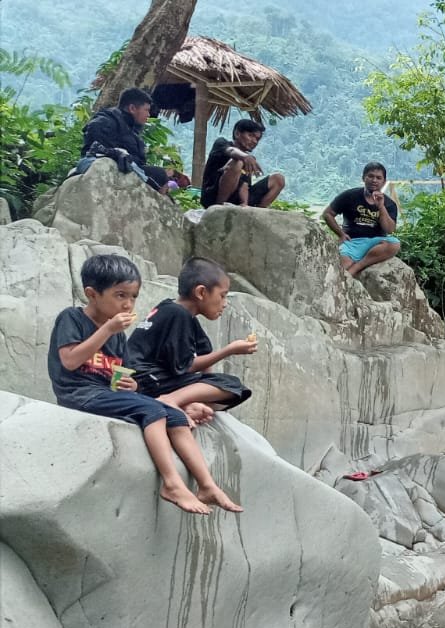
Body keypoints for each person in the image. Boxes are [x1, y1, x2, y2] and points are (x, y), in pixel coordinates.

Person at [47, 254, 241, 515]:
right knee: (155, 411)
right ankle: (172, 484)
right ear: (92, 294)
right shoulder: (72, 318)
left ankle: (207, 485)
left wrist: (131, 387)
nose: (128, 305)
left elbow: (119, 379)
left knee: (173, 414)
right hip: (79, 394)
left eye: (133, 297)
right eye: (120, 296)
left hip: (105, 393)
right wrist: (106, 330)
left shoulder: (117, 336)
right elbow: (69, 361)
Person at [126, 256, 257, 426]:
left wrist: (207, 388)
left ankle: (189, 405)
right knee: (232, 385)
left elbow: (205, 353)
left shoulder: (177, 310)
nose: (224, 304)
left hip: (151, 377)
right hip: (144, 379)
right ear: (201, 292)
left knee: (225, 387)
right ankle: (169, 400)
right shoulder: (177, 314)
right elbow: (187, 366)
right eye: (222, 296)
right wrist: (229, 350)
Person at [78, 88, 178, 193]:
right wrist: (115, 154)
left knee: (159, 175)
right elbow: (97, 147)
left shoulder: (130, 127)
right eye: (146, 110)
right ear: (132, 108)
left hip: (126, 167)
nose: (148, 115)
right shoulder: (106, 120)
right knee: (159, 175)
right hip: (99, 164)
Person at [322, 162, 400, 276]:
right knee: (340, 268)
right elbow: (327, 214)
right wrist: (341, 234)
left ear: (383, 181)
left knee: (394, 244)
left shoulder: (389, 204)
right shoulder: (350, 196)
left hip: (376, 243)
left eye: (378, 178)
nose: (374, 180)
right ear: (363, 178)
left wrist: (381, 207)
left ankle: (358, 266)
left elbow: (389, 230)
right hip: (352, 242)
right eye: (371, 176)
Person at [200, 119, 285, 209]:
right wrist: (245, 157)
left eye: (257, 139)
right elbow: (231, 151)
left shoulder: (248, 160)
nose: (255, 141)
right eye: (251, 135)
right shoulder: (221, 143)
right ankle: (219, 208)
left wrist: (245, 203)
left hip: (237, 199)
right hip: (213, 197)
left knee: (278, 179)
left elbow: (244, 184)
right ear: (237, 134)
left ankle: (258, 212)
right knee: (238, 162)